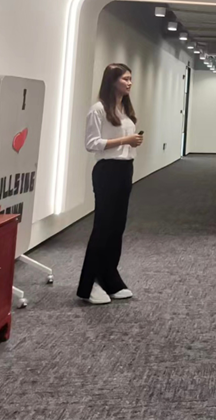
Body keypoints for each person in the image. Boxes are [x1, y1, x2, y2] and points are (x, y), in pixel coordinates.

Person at [78, 63, 143, 305]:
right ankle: (89, 284)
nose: (129, 83)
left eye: (130, 78)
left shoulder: (124, 109)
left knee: (117, 228)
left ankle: (109, 277)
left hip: (125, 169)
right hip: (107, 171)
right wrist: (125, 140)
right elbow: (91, 143)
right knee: (103, 227)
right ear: (112, 81)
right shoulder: (98, 110)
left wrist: (131, 142)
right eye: (125, 79)